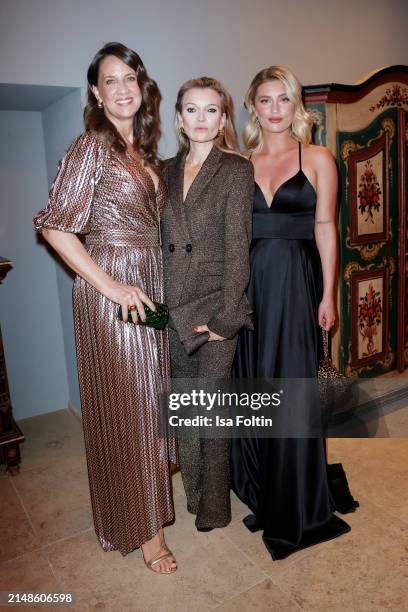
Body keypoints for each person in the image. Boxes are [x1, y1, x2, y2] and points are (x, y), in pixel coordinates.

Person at [33, 43, 177, 574]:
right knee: (137, 411)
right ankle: (148, 536)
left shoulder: (138, 149)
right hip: (115, 293)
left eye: (130, 78)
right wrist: (112, 287)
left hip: (148, 285)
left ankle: (129, 513)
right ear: (96, 92)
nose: (122, 88)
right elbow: (53, 227)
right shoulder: (90, 147)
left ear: (142, 86)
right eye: (110, 80)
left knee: (142, 408)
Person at [231, 65, 353, 560]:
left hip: (298, 284)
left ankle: (298, 503)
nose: (276, 109)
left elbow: (326, 228)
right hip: (250, 288)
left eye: (284, 99)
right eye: (266, 100)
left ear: (295, 105)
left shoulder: (319, 157)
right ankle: (264, 487)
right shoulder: (240, 163)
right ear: (253, 107)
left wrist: (329, 295)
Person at [161, 77, 254, 531]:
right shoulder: (161, 171)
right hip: (173, 311)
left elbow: (240, 251)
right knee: (185, 412)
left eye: (211, 110)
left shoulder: (236, 170)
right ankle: (194, 495)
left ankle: (215, 509)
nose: (201, 119)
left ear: (223, 120)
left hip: (216, 309)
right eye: (192, 110)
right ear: (179, 118)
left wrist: (225, 319)